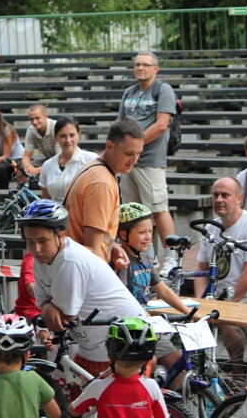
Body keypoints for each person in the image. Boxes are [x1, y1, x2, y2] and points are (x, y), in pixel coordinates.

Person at [18, 199, 145, 378]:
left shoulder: (69, 260)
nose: (36, 249)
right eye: (30, 241)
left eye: (43, 241)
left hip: (122, 345)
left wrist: (48, 306)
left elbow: (64, 317)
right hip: (93, 346)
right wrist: (47, 307)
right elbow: (42, 301)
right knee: (78, 392)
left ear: (60, 235)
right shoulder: (42, 258)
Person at [70, 317, 186, 418]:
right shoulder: (151, 386)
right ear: (147, 360)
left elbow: (74, 410)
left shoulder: (98, 387)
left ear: (109, 357)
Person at [118, 51, 179, 263]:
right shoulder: (129, 92)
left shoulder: (162, 90)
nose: (140, 68)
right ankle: (145, 257)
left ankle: (171, 259)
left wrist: (134, 146)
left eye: (145, 65)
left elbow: (162, 125)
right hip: (127, 162)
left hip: (150, 161)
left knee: (159, 209)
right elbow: (120, 124)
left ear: (155, 69)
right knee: (134, 212)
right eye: (137, 65)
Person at [117, 202, 192, 370]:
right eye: (142, 232)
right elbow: (121, 297)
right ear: (123, 234)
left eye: (150, 231)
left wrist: (188, 311)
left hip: (147, 324)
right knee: (151, 362)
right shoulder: (120, 262)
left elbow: (162, 289)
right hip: (130, 326)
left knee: (178, 364)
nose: (148, 237)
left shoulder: (145, 258)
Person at [64, 117, 144, 269]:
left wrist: (111, 246)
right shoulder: (102, 182)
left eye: (138, 153)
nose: (134, 160)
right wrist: (105, 280)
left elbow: (96, 230)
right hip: (85, 271)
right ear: (110, 146)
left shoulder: (94, 168)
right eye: (129, 153)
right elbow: (92, 249)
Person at [194, 177, 247, 305]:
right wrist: (200, 303)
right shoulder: (210, 227)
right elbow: (202, 270)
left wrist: (227, 304)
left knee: (224, 319)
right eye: (215, 195)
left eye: (225, 195)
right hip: (217, 300)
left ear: (239, 199)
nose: (219, 200)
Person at [39, 116, 98, 203]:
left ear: (79, 135)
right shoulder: (47, 165)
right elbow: (45, 201)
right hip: (57, 211)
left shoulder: (91, 160)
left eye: (72, 135)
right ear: (55, 137)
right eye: (63, 136)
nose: (68, 140)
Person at [21, 104, 59, 178]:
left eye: (37, 118)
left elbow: (60, 159)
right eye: (31, 119)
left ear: (46, 116)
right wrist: (27, 167)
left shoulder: (57, 127)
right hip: (48, 159)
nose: (34, 122)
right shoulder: (31, 130)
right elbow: (26, 156)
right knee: (21, 170)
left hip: (64, 161)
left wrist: (37, 170)